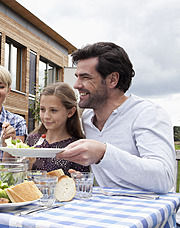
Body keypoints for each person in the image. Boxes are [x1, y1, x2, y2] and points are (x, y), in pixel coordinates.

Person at [56, 42, 175, 194]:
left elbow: (164, 178)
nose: (76, 85)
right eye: (77, 77)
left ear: (113, 80)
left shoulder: (148, 114)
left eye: (85, 77)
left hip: (149, 214)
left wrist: (103, 153)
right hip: (108, 210)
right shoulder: (87, 118)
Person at [26, 82, 88, 176]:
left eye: (53, 110)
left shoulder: (77, 147)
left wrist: (79, 179)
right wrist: (27, 165)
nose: (46, 116)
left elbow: (85, 182)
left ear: (70, 112)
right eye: (42, 109)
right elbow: (19, 180)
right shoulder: (32, 140)